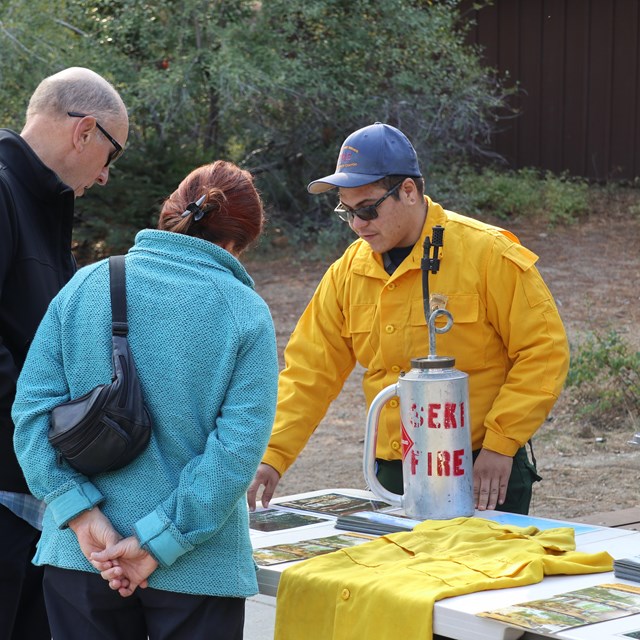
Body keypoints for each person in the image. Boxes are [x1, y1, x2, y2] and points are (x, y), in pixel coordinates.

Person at [12, 160, 278, 639]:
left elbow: (31, 415)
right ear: (239, 242)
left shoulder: (83, 287)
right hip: (199, 571)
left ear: (170, 212)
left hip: (81, 558)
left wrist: (80, 514)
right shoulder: (245, 313)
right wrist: (157, 543)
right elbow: (235, 453)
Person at [248, 122, 570, 516]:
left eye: (367, 209)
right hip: (393, 476)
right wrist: (272, 455)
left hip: (483, 469)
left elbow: (544, 352)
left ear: (408, 191)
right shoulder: (347, 272)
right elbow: (308, 373)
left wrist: (501, 444)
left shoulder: (488, 254)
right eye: (345, 211)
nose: (357, 224)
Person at [0, 67, 128, 639]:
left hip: (31, 490)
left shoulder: (42, 206)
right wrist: (46, 423)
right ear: (86, 131)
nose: (104, 176)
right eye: (112, 155)